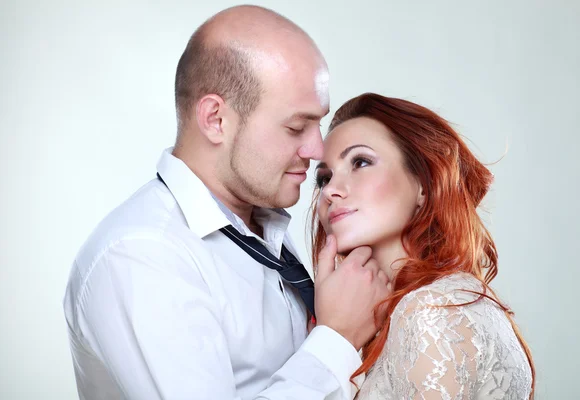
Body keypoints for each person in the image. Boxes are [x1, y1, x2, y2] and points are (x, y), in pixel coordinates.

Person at [63, 6, 391, 400]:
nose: (317, 148)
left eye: (317, 123)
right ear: (216, 119)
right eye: (295, 127)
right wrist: (337, 338)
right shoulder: (142, 256)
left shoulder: (263, 228)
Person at [311, 93, 535, 399]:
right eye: (324, 178)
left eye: (360, 162)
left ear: (423, 184)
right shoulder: (421, 306)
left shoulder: (430, 311)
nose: (331, 191)